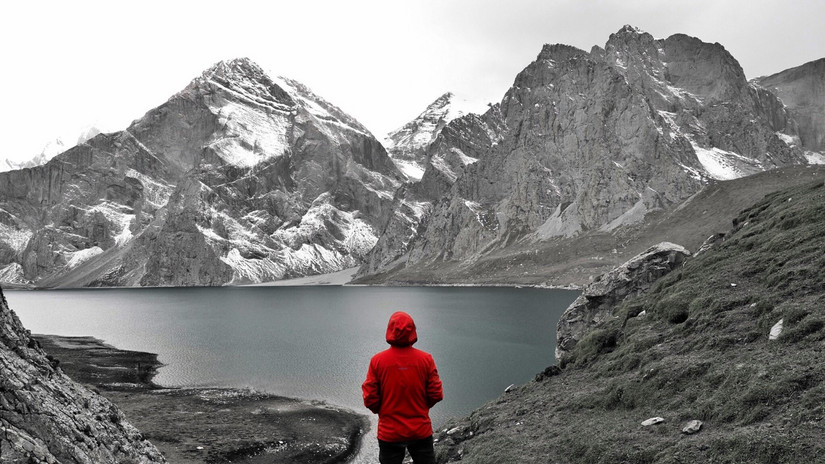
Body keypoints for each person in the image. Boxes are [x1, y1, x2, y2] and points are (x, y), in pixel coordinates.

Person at [362, 311, 444, 464]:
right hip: (420, 430)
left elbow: (370, 398)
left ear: (389, 331)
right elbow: (436, 394)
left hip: (389, 432)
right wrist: (421, 408)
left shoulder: (377, 361)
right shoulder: (426, 359)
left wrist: (383, 411)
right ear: (413, 331)